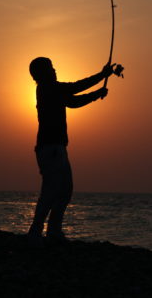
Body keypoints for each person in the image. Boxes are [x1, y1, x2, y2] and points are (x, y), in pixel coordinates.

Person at [27, 57, 113, 247]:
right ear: (43, 73)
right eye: (51, 67)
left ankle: (53, 231)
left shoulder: (52, 90)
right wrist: (102, 75)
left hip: (55, 148)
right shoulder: (48, 87)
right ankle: (36, 232)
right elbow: (74, 88)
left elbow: (73, 102)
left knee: (64, 190)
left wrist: (97, 93)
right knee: (51, 191)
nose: (55, 69)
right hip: (51, 149)